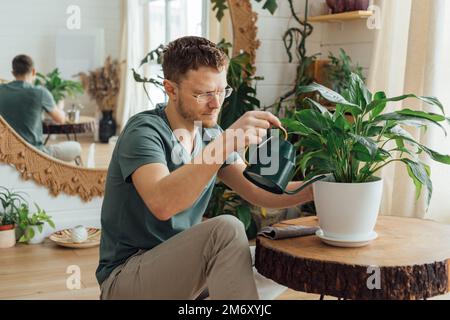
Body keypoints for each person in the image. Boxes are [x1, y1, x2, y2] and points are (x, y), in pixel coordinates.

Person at [96, 36, 314, 300]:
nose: (216, 103)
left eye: (222, 91)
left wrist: (318, 189)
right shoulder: (144, 132)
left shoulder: (211, 136)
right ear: (171, 89)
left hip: (184, 275)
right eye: (203, 94)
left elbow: (258, 191)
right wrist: (227, 142)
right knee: (226, 230)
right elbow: (163, 203)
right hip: (127, 279)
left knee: (280, 259)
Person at [0, 54, 82, 163]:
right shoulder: (40, 92)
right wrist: (60, 107)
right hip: (34, 154)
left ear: (13, 73)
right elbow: (61, 119)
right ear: (34, 72)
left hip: (5, 153)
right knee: (76, 147)